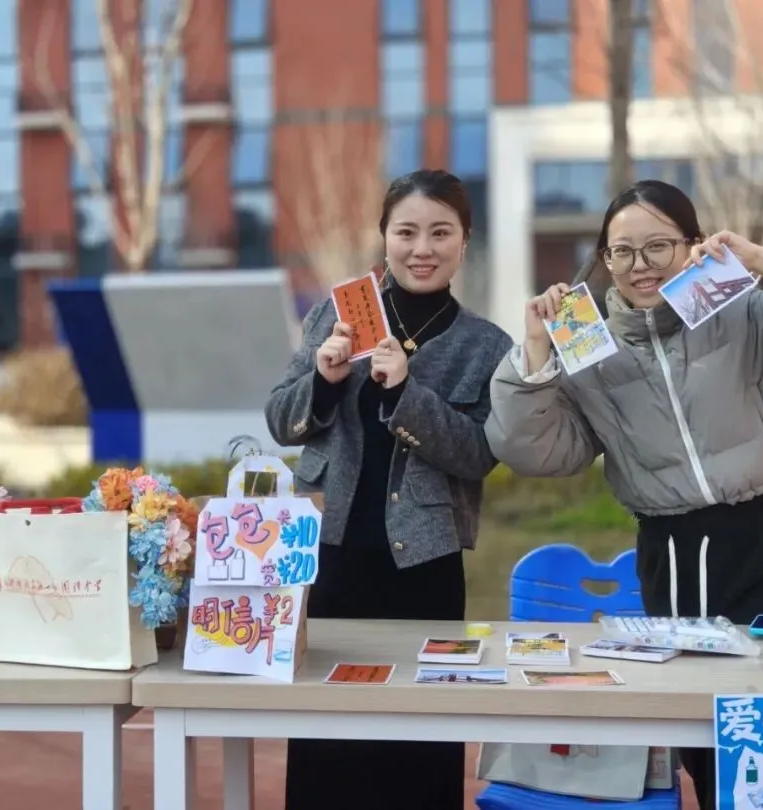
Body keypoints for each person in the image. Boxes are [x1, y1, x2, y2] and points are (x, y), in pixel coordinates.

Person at [484, 179, 763, 810]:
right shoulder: (588, 349)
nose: (640, 265)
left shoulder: (748, 313)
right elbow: (537, 451)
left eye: (658, 246)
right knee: (698, 742)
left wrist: (760, 259)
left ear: (693, 245)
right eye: (622, 251)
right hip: (670, 560)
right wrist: (537, 350)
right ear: (605, 260)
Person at [265, 168, 513, 810]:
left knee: (419, 745)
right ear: (384, 237)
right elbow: (281, 421)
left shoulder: (486, 346)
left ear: (464, 242)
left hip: (425, 568)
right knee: (326, 744)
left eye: (440, 233)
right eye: (406, 232)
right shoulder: (336, 315)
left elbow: (478, 454)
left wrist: (406, 392)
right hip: (330, 558)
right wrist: (323, 381)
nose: (421, 248)